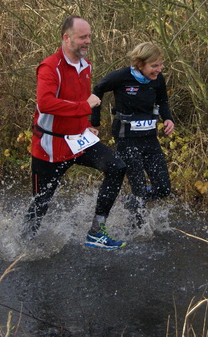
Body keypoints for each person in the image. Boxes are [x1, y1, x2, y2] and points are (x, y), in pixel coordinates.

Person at [25, 15, 128, 250]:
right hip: (49, 146)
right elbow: (46, 103)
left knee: (117, 167)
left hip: (78, 141)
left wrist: (87, 124)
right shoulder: (50, 67)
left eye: (89, 36)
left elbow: (83, 100)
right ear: (66, 38)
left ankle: (96, 231)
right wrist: (84, 108)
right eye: (83, 37)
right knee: (40, 204)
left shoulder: (86, 66)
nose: (88, 41)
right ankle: (22, 247)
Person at [90, 41, 175, 227]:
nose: (159, 69)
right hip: (126, 140)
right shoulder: (121, 77)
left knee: (163, 188)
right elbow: (97, 90)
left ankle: (130, 203)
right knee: (139, 188)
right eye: (154, 66)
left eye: (161, 65)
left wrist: (168, 119)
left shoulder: (158, 79)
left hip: (150, 139)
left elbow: (163, 101)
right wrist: (94, 122)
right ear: (140, 64)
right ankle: (137, 231)